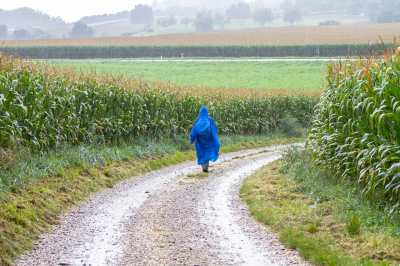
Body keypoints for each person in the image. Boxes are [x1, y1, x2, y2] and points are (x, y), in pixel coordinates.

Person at [190, 106, 220, 172]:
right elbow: (214, 129)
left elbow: (193, 130)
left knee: (201, 151)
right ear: (207, 112)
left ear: (200, 112)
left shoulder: (198, 119)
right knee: (208, 151)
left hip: (200, 140)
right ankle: (205, 167)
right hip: (208, 139)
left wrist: (192, 140)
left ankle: (204, 166)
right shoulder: (210, 119)